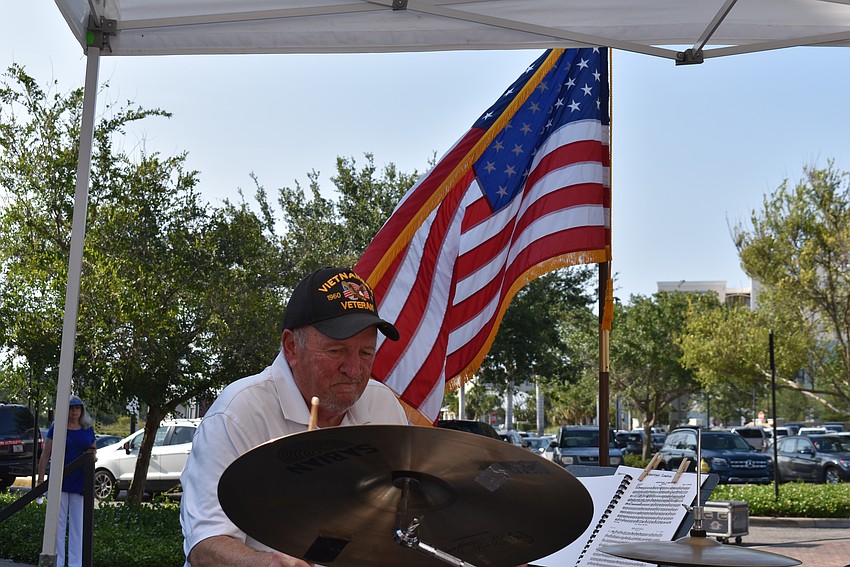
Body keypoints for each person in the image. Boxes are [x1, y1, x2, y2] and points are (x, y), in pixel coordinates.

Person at [180, 267, 407, 567]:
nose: (354, 370)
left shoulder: (384, 407)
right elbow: (205, 545)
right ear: (291, 347)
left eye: (366, 353)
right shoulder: (238, 413)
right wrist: (268, 564)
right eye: (337, 351)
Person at [37, 395, 97, 567]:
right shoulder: (57, 428)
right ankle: (59, 562)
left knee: (78, 527)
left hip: (80, 484)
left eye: (77, 408)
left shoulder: (87, 429)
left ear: (81, 410)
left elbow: (93, 455)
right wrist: (41, 481)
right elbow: (46, 454)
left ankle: (76, 564)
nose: (74, 411)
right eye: (71, 408)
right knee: (58, 526)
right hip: (60, 484)